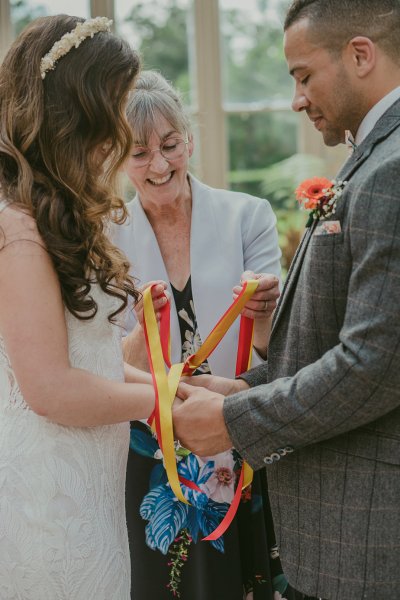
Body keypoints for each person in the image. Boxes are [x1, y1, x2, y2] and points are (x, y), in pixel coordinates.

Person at [173, 1, 400, 599]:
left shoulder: (393, 168)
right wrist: (247, 386)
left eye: (303, 75)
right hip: (335, 536)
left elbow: (375, 364)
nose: (297, 98)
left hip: (367, 544)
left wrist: (232, 420)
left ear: (360, 54)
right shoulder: (372, 159)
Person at [112, 71, 299, 600]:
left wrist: (264, 312)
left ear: (189, 141)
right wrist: (142, 333)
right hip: (149, 439)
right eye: (140, 153)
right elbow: (102, 358)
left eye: (171, 145)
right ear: (118, 160)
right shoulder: (105, 233)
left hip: (232, 427)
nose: (160, 164)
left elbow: (275, 351)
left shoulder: (247, 216)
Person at [0, 15, 157, 600]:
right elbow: (51, 388)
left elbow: (85, 362)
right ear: (80, 112)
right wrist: (163, 405)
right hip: (47, 504)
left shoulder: (48, 214)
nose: (122, 126)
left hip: (86, 491)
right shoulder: (17, 229)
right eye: (117, 104)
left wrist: (185, 388)